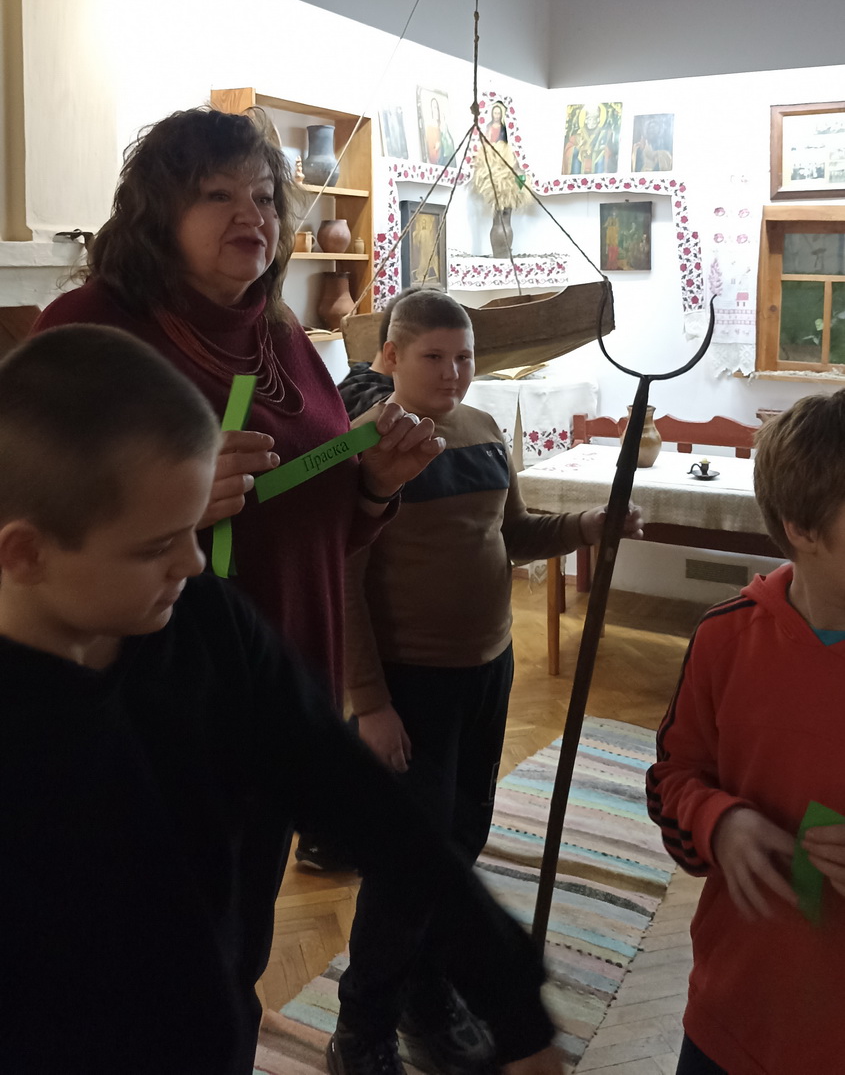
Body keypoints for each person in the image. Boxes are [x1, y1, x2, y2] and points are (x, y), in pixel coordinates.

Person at [0, 325, 565, 1075]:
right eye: (155, 546)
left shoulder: (208, 622)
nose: (192, 562)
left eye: (192, 529)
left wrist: (512, 1004)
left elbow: (366, 804)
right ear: (26, 553)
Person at [32, 109, 440, 712]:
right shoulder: (90, 326)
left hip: (299, 677)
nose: (252, 216)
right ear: (159, 213)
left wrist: (373, 486)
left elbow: (308, 530)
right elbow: (32, 523)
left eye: (265, 197)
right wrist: (165, 503)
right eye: (218, 195)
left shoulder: (281, 329)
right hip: (169, 696)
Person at [335, 290, 643, 1075]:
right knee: (408, 865)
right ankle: (361, 1029)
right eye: (433, 357)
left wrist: (585, 528)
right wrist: (369, 703)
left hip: (487, 670)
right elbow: (343, 577)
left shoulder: (481, 429)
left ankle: (427, 996)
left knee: (461, 841)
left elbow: (511, 535)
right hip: (408, 684)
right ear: (391, 358)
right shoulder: (368, 445)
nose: (452, 372)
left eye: (464, 357)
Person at [646, 389, 845, 1075]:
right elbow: (672, 779)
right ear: (802, 528)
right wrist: (718, 821)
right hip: (735, 1011)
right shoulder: (725, 638)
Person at [337, 286, 438, 420]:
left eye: (461, 357)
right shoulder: (382, 405)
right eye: (434, 356)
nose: (452, 373)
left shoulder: (360, 376)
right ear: (392, 355)